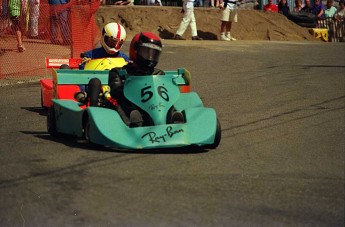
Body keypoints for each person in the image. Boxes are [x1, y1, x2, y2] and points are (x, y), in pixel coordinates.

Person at [107, 32, 185, 127]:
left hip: (156, 106)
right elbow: (115, 92)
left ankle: (174, 119)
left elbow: (167, 94)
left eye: (154, 54)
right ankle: (133, 125)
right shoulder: (119, 72)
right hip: (131, 105)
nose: (150, 58)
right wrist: (129, 86)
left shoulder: (159, 74)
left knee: (168, 106)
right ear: (135, 49)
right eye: (146, 52)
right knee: (121, 106)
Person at [75, 22, 130, 105]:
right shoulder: (89, 56)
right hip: (94, 93)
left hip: (117, 93)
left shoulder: (125, 59)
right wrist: (82, 93)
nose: (114, 47)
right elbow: (82, 78)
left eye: (118, 44)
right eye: (112, 42)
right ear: (104, 37)